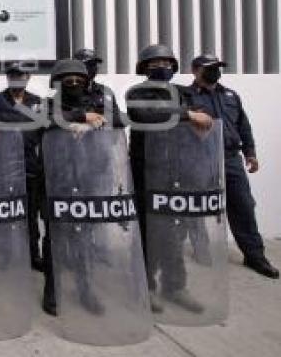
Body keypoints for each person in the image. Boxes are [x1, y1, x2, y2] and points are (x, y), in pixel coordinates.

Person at [126, 44, 215, 312]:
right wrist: (187, 115)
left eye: (166, 62)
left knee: (173, 233)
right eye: (154, 63)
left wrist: (198, 118)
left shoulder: (183, 92)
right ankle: (146, 287)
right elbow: (145, 114)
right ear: (144, 67)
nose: (161, 66)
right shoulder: (137, 92)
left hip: (176, 171)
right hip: (146, 171)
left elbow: (204, 118)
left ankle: (175, 287)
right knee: (146, 231)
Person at [42, 58, 125, 316]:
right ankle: (52, 292)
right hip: (59, 179)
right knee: (56, 235)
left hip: (90, 176)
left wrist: (94, 119)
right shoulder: (48, 105)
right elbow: (43, 120)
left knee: (87, 237)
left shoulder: (99, 104)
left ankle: (85, 289)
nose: (75, 84)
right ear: (58, 84)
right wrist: (80, 118)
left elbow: (121, 120)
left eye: (79, 80)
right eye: (68, 81)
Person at [188, 54, 278, 279]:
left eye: (218, 67)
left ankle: (255, 256)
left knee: (243, 206)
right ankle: (202, 251)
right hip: (200, 158)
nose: (215, 71)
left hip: (231, 158)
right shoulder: (186, 96)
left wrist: (251, 153)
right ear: (195, 70)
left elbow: (243, 126)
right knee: (201, 207)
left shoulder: (231, 95)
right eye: (210, 68)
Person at [0, 61, 45, 272]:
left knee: (30, 216)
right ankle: (6, 258)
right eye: (13, 75)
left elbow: (44, 127)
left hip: (30, 164)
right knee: (6, 213)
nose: (18, 78)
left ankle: (33, 256)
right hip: (3, 164)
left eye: (22, 75)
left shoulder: (37, 101)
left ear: (28, 78)